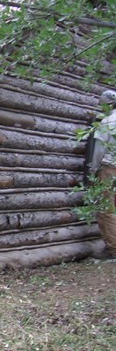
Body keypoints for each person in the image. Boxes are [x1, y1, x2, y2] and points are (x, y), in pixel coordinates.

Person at [87, 90, 116, 257]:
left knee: (106, 208)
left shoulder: (108, 122)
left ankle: (113, 249)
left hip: (109, 168)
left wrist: (92, 171)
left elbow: (99, 150)